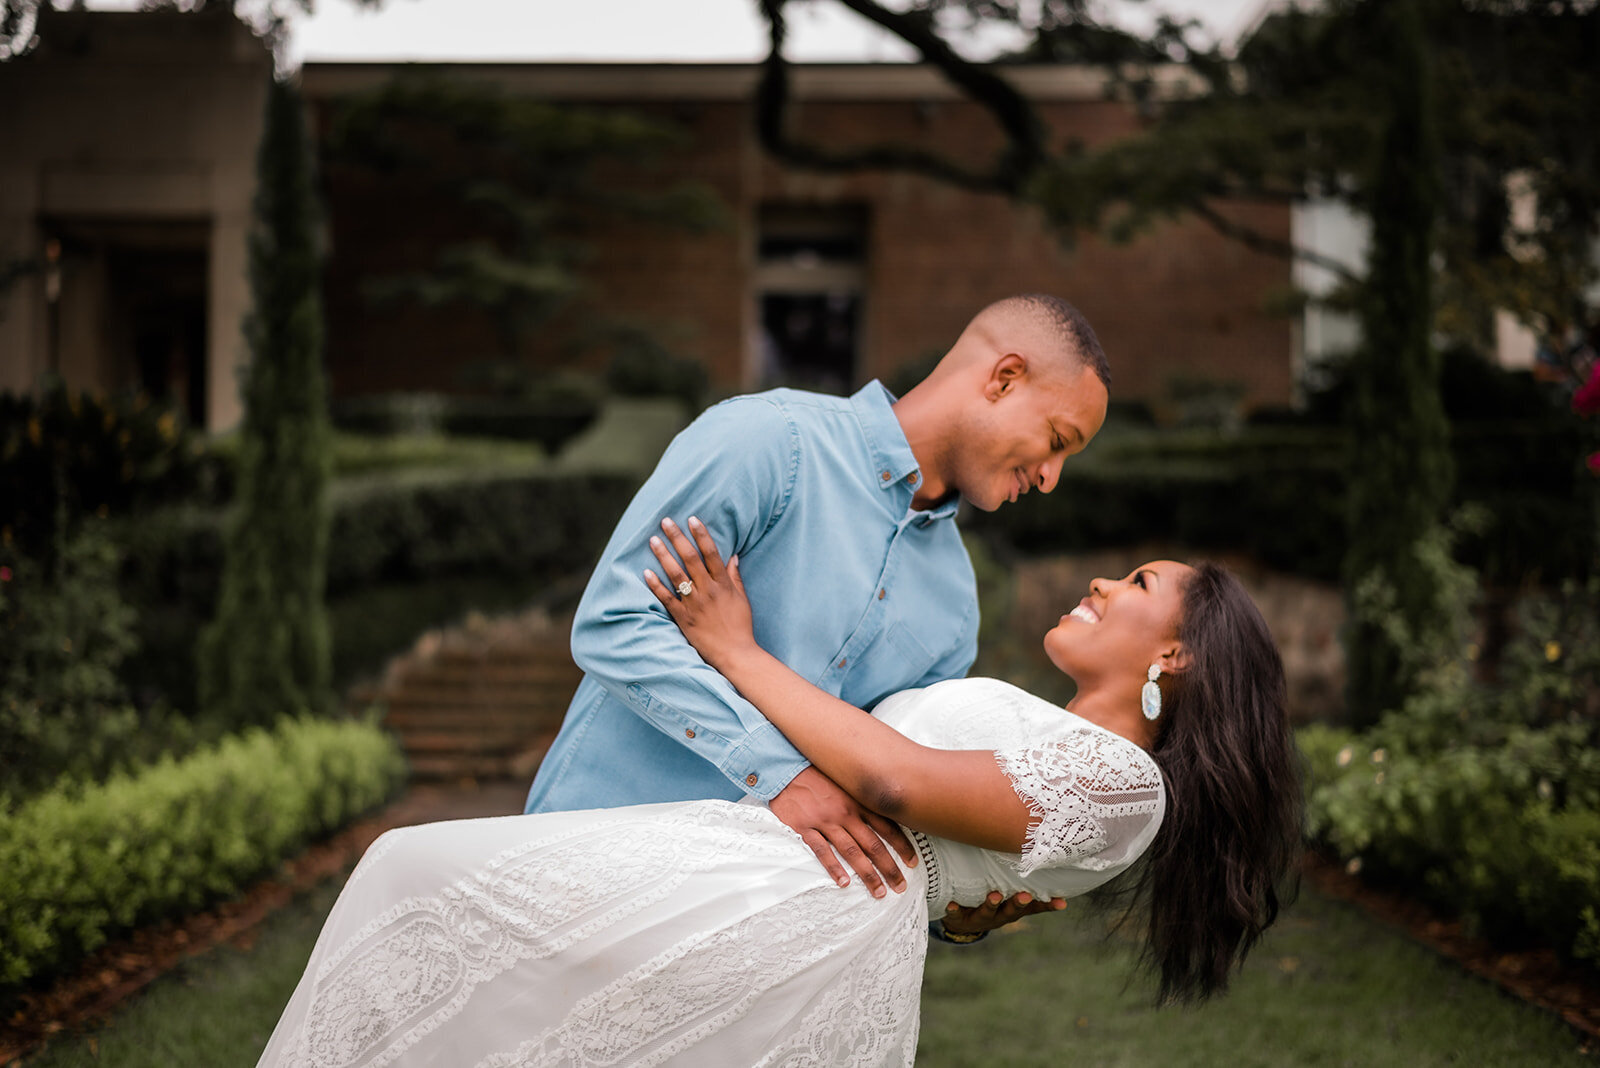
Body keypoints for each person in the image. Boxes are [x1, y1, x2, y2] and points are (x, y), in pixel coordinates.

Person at [258, 524, 1302, 1067]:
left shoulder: (1125, 787)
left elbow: (893, 780)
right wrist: (967, 912)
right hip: (791, 879)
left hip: (798, 901)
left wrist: (731, 646)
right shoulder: (1069, 743)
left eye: (1136, 585)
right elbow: (954, 852)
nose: (1104, 585)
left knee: (412, 876)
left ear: (1175, 651)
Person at [524, 293, 1112, 931]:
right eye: (1057, 440)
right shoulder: (767, 441)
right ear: (1003, 378)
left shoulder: (953, 604)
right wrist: (781, 774)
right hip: (582, 871)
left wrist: (956, 912)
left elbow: (886, 800)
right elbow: (616, 622)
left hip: (746, 934)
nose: (1052, 478)